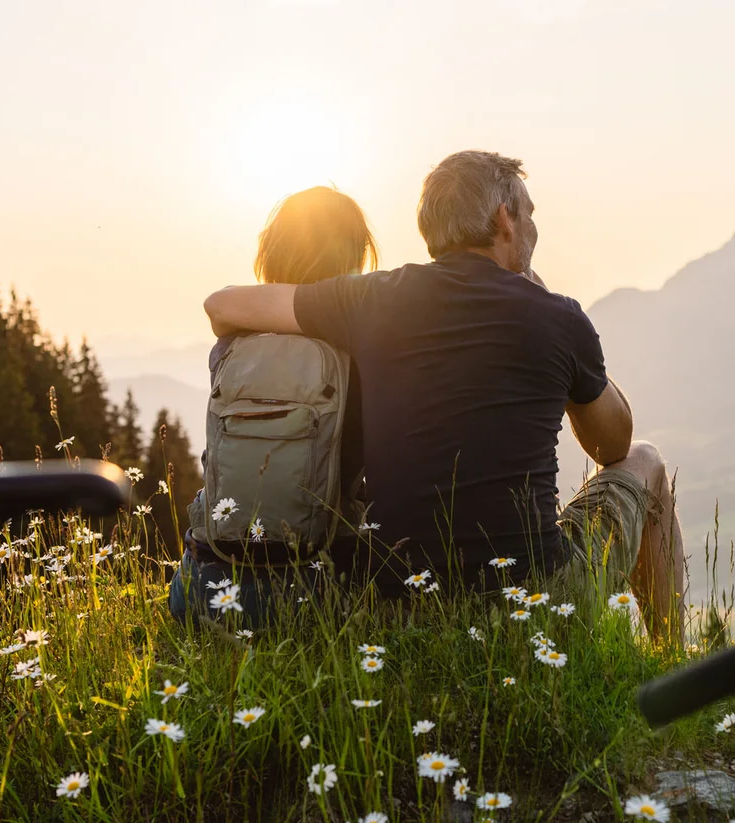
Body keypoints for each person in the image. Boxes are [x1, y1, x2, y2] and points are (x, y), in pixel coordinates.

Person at [203, 151, 686, 641]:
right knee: (646, 460)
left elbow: (221, 306)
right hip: (537, 599)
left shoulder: (372, 299)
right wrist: (560, 339)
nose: (534, 229)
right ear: (505, 219)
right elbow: (613, 446)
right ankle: (672, 656)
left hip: (402, 606)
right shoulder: (558, 317)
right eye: (530, 214)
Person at [167, 185, 377, 626]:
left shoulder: (232, 342)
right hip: (317, 592)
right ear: (354, 256)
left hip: (203, 590)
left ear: (272, 251)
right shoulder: (359, 352)